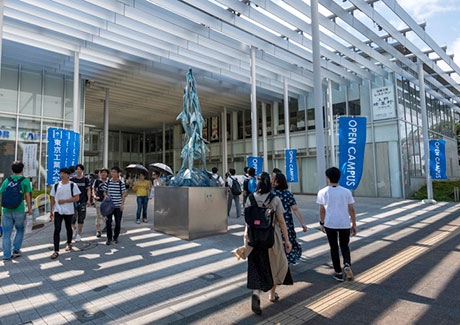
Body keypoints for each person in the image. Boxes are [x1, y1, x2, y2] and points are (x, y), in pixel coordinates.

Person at [232, 172, 293, 315]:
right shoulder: (275, 199)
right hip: (271, 239)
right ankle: (272, 294)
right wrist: (287, 240)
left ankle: (256, 294)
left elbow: (247, 221)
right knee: (275, 266)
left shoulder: (250, 199)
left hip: (253, 239)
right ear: (269, 183)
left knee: (258, 267)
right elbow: (282, 222)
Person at [316, 167, 357, 282]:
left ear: (328, 178)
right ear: (339, 177)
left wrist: (322, 222)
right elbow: (351, 209)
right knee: (345, 246)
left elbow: (322, 210)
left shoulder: (323, 192)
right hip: (344, 223)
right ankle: (347, 264)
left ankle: (338, 272)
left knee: (334, 248)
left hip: (330, 223)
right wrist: (354, 223)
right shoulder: (346, 191)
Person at [271, 172, 307, 264]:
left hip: (274, 222)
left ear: (277, 182)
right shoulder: (288, 194)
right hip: (287, 222)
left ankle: (278, 261)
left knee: (276, 241)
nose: (272, 181)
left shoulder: (271, 194)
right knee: (287, 241)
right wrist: (302, 223)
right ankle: (287, 259)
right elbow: (295, 208)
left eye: (273, 179)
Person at [0, 161, 33, 261]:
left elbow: (1, 193)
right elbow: (27, 196)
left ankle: (6, 255)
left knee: (6, 233)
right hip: (19, 210)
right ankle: (16, 250)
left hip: (6, 210)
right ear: (22, 169)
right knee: (20, 229)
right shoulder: (25, 181)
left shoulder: (7, 180)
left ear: (12, 169)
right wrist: (30, 209)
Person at [50, 167, 81, 259]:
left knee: (68, 227)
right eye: (61, 173)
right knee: (57, 229)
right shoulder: (56, 185)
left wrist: (65, 201)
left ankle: (69, 243)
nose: (62, 175)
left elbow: (77, 198)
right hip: (58, 211)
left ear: (68, 175)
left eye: (64, 173)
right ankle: (56, 250)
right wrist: (51, 210)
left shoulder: (73, 185)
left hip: (68, 211)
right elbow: (52, 198)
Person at [102, 166, 127, 245]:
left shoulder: (121, 183)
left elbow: (123, 194)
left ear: (118, 173)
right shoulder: (108, 182)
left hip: (118, 205)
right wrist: (105, 195)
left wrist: (122, 204)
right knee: (108, 222)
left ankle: (115, 237)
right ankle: (109, 238)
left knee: (118, 222)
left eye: (114, 172)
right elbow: (104, 191)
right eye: (112, 172)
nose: (112, 173)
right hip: (109, 206)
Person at [70, 164, 91, 242]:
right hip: (73, 202)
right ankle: (73, 228)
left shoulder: (86, 179)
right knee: (72, 217)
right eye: (77, 169)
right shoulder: (72, 180)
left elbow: (88, 189)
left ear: (82, 170)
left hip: (82, 201)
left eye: (80, 169)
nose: (78, 170)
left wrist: (89, 199)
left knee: (81, 218)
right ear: (75, 170)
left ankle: (79, 234)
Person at [92, 168, 109, 237]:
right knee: (99, 216)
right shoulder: (97, 181)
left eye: (105, 172)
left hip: (107, 201)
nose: (103, 174)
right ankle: (98, 231)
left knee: (107, 216)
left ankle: (108, 227)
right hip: (99, 200)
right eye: (102, 172)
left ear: (107, 174)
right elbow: (93, 188)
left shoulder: (109, 181)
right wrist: (94, 195)